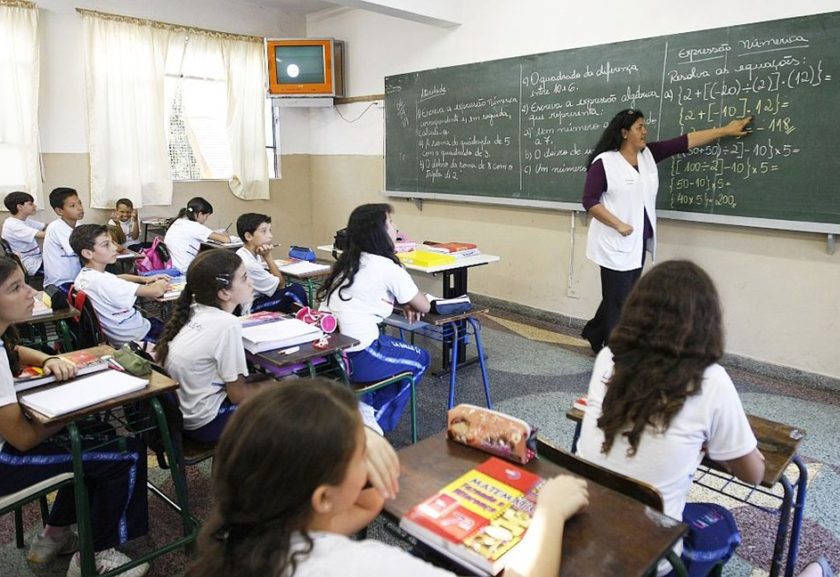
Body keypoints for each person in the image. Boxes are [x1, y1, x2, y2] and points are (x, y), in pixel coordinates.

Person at [185, 378, 590, 577]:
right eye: (361, 454)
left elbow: (358, 504)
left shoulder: (238, 542)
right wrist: (548, 513)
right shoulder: (365, 565)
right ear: (323, 498)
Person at [577, 260, 765, 577]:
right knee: (722, 521)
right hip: (652, 560)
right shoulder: (710, 379)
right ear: (706, 320)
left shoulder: (609, 358)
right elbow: (754, 474)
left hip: (585, 534)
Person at [0, 256, 150, 577]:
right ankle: (94, 555)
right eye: (16, 288)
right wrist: (70, 410)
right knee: (125, 454)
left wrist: (49, 358)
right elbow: (23, 438)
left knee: (96, 432)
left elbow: (14, 351)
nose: (31, 293)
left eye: (26, 282)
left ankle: (55, 532)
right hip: (6, 462)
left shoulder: (2, 338)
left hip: (9, 447)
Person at [580, 109, 753, 353]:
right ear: (624, 132)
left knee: (623, 294)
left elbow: (686, 142)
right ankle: (615, 351)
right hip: (613, 241)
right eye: (640, 127)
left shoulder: (648, 155)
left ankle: (594, 331)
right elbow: (590, 201)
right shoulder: (605, 163)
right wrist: (617, 224)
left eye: (644, 126)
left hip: (638, 240)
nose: (645, 131)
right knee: (620, 299)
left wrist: (725, 130)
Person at [317, 203, 431, 432]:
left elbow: (372, 294)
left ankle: (364, 404)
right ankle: (374, 425)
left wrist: (405, 300)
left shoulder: (348, 263)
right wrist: (410, 301)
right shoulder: (387, 267)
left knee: (389, 345)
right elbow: (425, 306)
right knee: (421, 359)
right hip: (359, 355)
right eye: (390, 224)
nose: (396, 229)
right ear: (377, 233)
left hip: (328, 354)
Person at [154, 249, 272, 443]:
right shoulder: (227, 325)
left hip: (184, 413)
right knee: (284, 401)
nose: (250, 283)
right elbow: (238, 395)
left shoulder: (193, 310)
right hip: (206, 422)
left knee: (264, 383)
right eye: (244, 278)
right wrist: (279, 386)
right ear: (224, 292)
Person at [68, 224, 169, 347]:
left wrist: (144, 278)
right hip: (138, 336)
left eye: (112, 242)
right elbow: (157, 291)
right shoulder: (104, 282)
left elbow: (117, 278)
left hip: (121, 334)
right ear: (88, 253)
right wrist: (161, 281)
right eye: (106, 245)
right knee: (181, 331)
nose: (114, 248)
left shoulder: (86, 276)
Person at [235, 213, 308, 314]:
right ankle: (308, 319)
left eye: (270, 230)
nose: (270, 236)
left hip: (259, 299)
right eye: (264, 231)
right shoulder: (249, 264)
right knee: (293, 292)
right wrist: (268, 257)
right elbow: (280, 285)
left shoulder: (244, 252)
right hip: (251, 308)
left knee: (293, 290)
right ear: (248, 236)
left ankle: (303, 318)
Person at [163, 197, 231, 273]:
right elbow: (226, 240)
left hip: (173, 266)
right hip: (185, 269)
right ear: (200, 214)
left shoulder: (179, 221)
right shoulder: (194, 226)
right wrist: (225, 234)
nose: (206, 219)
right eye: (206, 216)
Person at [42, 187, 85, 293]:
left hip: (75, 279)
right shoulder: (56, 227)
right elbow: (82, 249)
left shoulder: (78, 225)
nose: (80, 208)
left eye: (80, 203)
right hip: (60, 284)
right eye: (73, 206)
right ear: (60, 211)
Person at [2, 191, 45, 277]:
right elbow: (43, 235)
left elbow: (44, 226)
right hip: (30, 264)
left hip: (36, 258)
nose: (35, 206)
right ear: (20, 207)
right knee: (65, 265)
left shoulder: (23, 220)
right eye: (30, 204)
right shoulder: (13, 225)